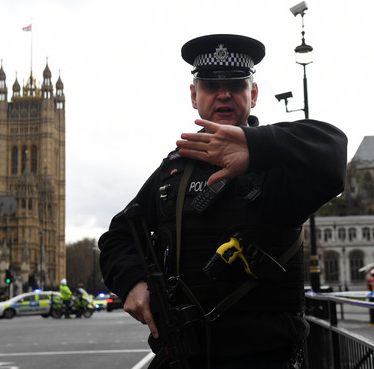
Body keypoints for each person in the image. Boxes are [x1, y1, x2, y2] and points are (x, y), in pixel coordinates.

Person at [99, 34, 347, 368]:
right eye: (211, 86)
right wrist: (131, 280)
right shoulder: (174, 170)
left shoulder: (278, 166)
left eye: (235, 84)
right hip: (184, 355)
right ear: (194, 95)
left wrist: (255, 146)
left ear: (253, 95)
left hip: (263, 360)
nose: (224, 94)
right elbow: (117, 237)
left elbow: (333, 151)